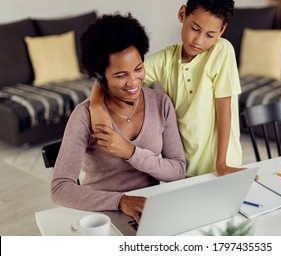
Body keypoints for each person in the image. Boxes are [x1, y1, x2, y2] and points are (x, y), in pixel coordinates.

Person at [89, 0, 243, 177]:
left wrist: (222, 163)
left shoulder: (222, 51)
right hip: (186, 169)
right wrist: (95, 106)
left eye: (210, 35)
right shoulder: (165, 60)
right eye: (195, 28)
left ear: (221, 31)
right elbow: (116, 74)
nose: (198, 40)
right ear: (182, 14)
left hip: (223, 167)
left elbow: (224, 109)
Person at [51, 13, 186, 223]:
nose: (133, 81)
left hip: (147, 208)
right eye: (121, 75)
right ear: (101, 76)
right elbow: (60, 188)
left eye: (138, 68)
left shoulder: (161, 104)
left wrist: (130, 152)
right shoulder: (84, 115)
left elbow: (177, 170)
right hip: (101, 214)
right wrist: (121, 201)